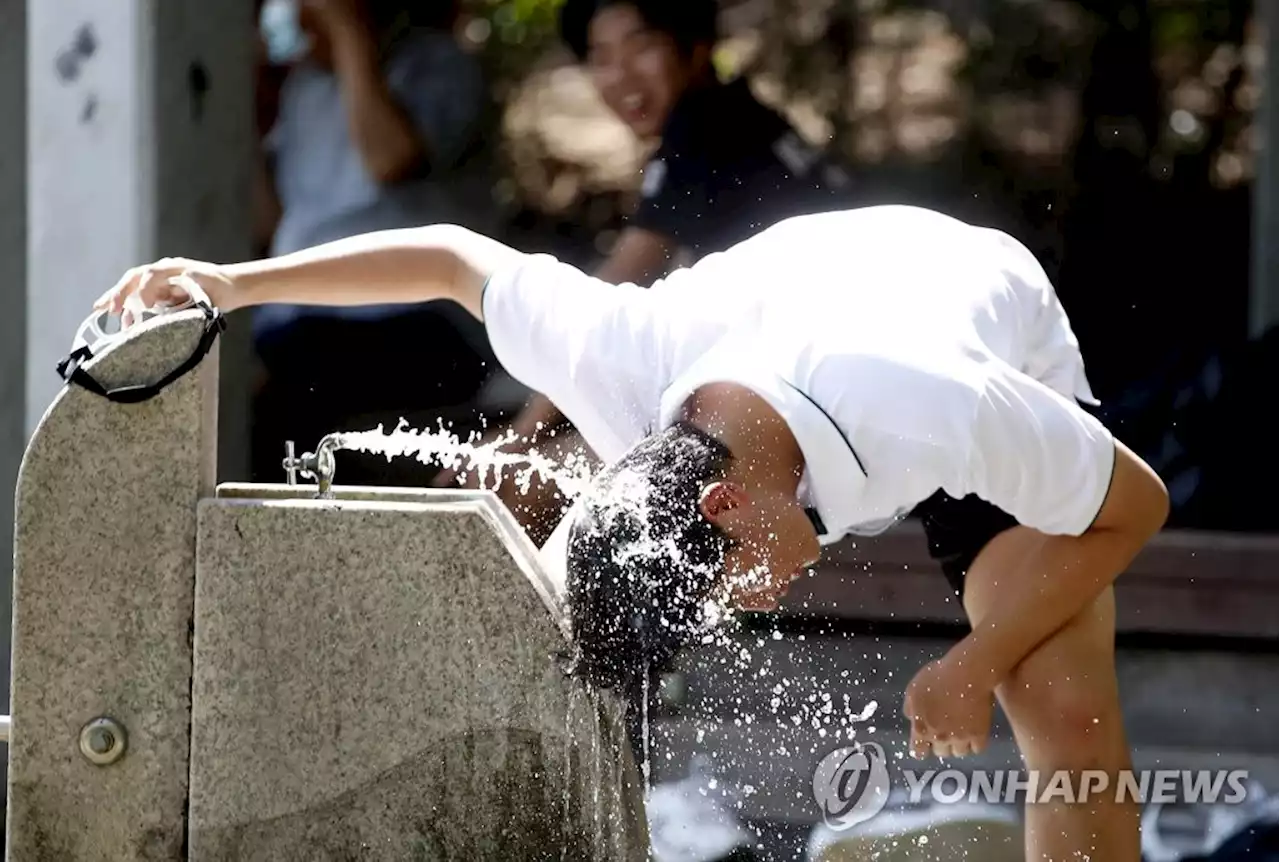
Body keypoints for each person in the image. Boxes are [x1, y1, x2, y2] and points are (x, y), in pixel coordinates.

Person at [98, 205, 1169, 862]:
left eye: (733, 584)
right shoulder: (618, 360)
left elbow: (1138, 506)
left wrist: (970, 663)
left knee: (1059, 703)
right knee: (563, 632)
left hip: (960, 300)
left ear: (721, 506)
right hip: (784, 323)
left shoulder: (945, 403)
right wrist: (231, 284)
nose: (753, 605)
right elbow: (453, 259)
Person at [442, 0, 856, 539]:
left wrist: (522, 434)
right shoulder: (743, 117)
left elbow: (608, 298)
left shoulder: (704, 127)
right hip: (811, 398)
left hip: (809, 416)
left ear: (697, 48)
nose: (622, 75)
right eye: (603, 57)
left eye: (641, 47)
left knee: (510, 487)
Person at [251, 0, 501, 484]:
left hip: (419, 320)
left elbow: (389, 160)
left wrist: (350, 39)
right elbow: (270, 221)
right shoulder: (304, 88)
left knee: (293, 405)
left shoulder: (438, 66)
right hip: (303, 325)